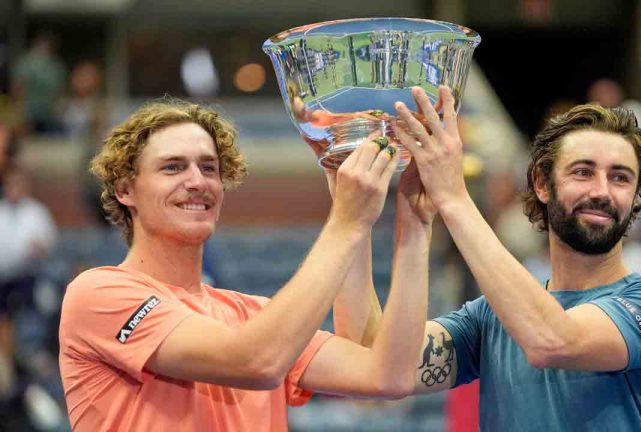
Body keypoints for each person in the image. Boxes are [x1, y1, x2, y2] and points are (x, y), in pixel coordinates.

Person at [58, 98, 436, 431]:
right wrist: (346, 222)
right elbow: (255, 361)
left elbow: (386, 375)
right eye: (173, 167)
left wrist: (414, 227)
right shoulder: (97, 294)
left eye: (209, 168)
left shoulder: (254, 316)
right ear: (125, 189)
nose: (197, 181)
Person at [390, 86, 641, 430]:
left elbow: (553, 340)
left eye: (620, 178)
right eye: (582, 172)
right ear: (541, 183)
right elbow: (389, 371)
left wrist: (453, 198)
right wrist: (371, 220)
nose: (601, 191)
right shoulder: (493, 317)